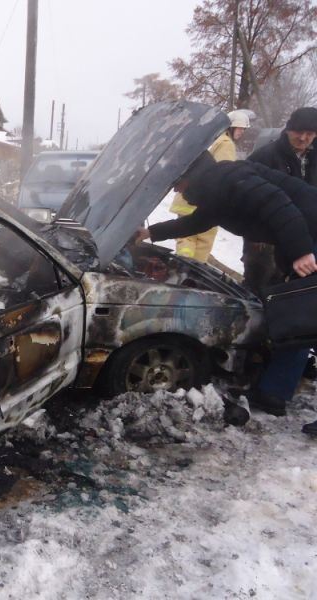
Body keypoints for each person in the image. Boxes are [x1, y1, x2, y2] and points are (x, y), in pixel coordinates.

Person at [135, 151, 317, 436]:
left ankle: (275, 392)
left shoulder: (231, 177)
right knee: (299, 319)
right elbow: (194, 224)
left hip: (310, 238)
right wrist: (148, 233)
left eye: (177, 181)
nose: (176, 189)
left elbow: (279, 205)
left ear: (189, 173)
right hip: (305, 239)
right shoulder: (217, 188)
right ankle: (273, 394)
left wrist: (301, 251)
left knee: (304, 318)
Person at [243, 107, 317, 295]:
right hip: (266, 232)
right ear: (288, 130)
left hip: (305, 231)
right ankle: (254, 315)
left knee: (297, 284)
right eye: (298, 132)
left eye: (309, 133)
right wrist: (254, 229)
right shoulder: (265, 156)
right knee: (262, 280)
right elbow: (244, 190)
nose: (303, 138)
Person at [169, 110, 250, 262]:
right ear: (230, 127)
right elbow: (222, 174)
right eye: (240, 128)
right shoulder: (226, 144)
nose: (242, 132)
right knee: (203, 241)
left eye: (244, 129)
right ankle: (193, 272)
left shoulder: (212, 140)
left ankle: (183, 264)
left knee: (185, 236)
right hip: (205, 202)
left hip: (187, 199)